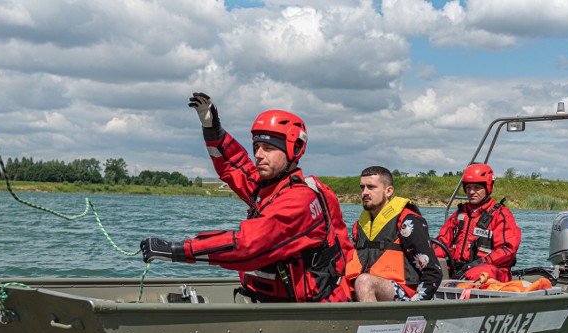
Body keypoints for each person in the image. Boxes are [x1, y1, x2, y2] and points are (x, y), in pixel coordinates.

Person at [140, 92, 352, 303]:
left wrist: (175, 250)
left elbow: (248, 245)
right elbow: (235, 166)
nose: (258, 154)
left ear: (293, 150)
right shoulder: (270, 188)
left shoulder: (300, 200)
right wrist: (213, 130)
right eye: (256, 147)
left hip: (307, 310)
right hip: (271, 301)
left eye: (268, 148)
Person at [345, 166, 442, 301]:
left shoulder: (407, 222)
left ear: (389, 191)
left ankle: (369, 322)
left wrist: (417, 303)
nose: (364, 193)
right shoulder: (359, 225)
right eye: (362, 187)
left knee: (364, 282)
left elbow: (433, 272)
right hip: (365, 290)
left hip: (403, 294)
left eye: (371, 187)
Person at [434, 163, 521, 282]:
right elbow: (441, 242)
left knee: (476, 273)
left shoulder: (501, 215)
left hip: (488, 271)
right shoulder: (459, 214)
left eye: (476, 188)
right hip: (457, 270)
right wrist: (426, 257)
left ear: (488, 187)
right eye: (468, 187)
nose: (471, 192)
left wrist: (478, 264)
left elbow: (507, 251)